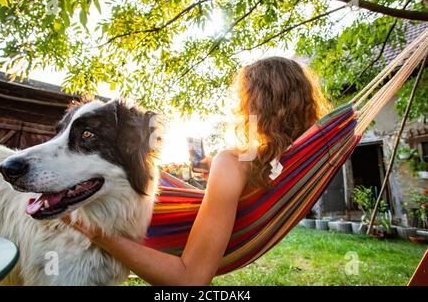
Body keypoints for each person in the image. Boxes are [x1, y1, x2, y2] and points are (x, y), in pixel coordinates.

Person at [62, 56, 330, 285]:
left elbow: (189, 279)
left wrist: (100, 235)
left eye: (242, 98)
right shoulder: (286, 164)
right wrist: (216, 179)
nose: (236, 107)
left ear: (255, 104)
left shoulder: (232, 163)